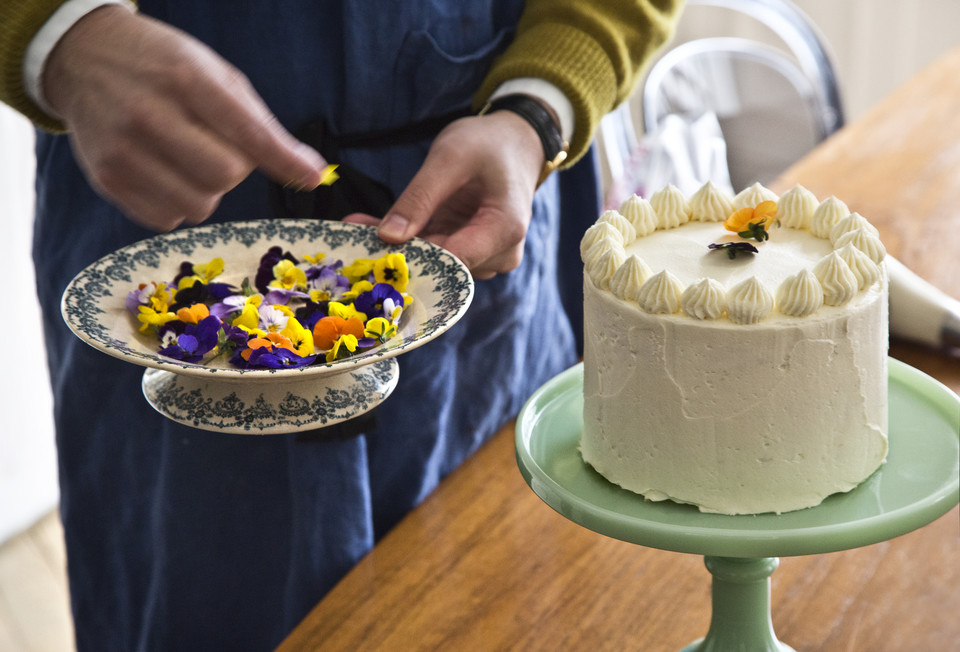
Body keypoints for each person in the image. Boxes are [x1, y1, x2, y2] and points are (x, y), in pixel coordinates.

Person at [0, 1, 682, 649]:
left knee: (496, 607)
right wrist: (57, 36)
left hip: (477, 209)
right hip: (161, 219)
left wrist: (540, 107)